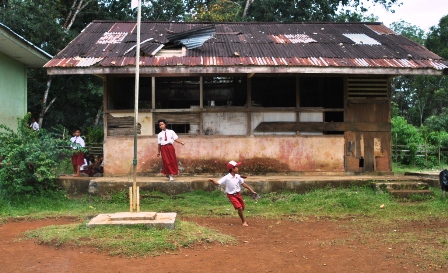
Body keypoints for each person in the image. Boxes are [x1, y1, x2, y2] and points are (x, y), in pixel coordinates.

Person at [208, 160, 257, 227]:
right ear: (232, 169)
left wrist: (251, 190)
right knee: (239, 208)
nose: (238, 168)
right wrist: (212, 180)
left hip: (238, 194)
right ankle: (244, 221)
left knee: (242, 208)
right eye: (236, 167)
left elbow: (243, 184)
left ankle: (240, 214)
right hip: (231, 195)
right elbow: (218, 183)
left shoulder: (238, 176)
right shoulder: (226, 177)